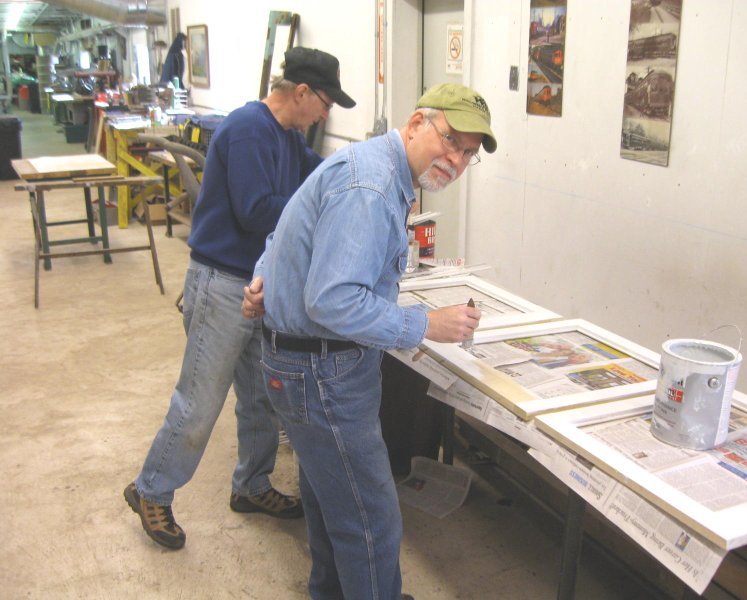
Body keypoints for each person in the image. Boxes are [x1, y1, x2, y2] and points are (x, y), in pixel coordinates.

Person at [242, 83, 496, 599]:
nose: (456, 159)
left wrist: (264, 276)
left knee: (330, 500)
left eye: (469, 153)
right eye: (451, 140)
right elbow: (332, 301)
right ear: (417, 122)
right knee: (370, 519)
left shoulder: (368, 164)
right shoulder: (373, 185)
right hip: (322, 375)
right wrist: (425, 325)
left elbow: (283, 231)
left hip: (300, 364)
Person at [124, 47, 356, 551]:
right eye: (325, 104)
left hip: (257, 286)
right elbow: (255, 211)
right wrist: (318, 213)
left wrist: (359, 178)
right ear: (301, 92)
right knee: (199, 400)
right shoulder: (250, 129)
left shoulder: (288, 137)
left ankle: (251, 484)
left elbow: (320, 174)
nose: (325, 115)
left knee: (260, 398)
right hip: (222, 284)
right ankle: (150, 489)